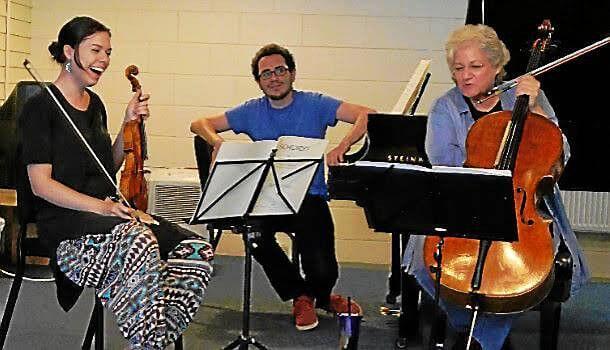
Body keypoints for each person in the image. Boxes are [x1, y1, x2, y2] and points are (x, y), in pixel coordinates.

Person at [18, 16, 214, 349]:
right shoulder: (39, 107)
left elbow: (106, 167)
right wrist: (105, 208)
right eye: (95, 50)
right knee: (139, 242)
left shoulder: (94, 105)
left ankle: (154, 339)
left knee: (195, 250)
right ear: (69, 52)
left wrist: (128, 125)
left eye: (108, 51)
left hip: (106, 216)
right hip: (66, 226)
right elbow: (41, 185)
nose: (105, 60)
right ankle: (147, 339)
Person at [402, 24, 590, 350]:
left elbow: (561, 153)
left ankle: (478, 340)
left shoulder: (525, 95)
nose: (466, 76)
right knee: (424, 261)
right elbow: (444, 165)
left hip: (523, 208)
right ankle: (484, 336)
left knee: (517, 272)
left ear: (497, 67)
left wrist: (535, 109)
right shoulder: (444, 108)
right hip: (462, 205)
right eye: (459, 68)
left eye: (476, 67)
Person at [190, 43, 375, 331]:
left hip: (308, 197)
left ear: (292, 73)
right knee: (256, 237)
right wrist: (216, 142)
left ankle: (323, 295)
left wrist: (344, 145)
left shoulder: (315, 104)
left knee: (324, 267)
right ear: (259, 81)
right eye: (266, 74)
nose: (274, 78)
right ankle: (299, 295)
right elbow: (198, 123)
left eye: (280, 70)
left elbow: (368, 113)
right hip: (266, 196)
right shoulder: (251, 111)